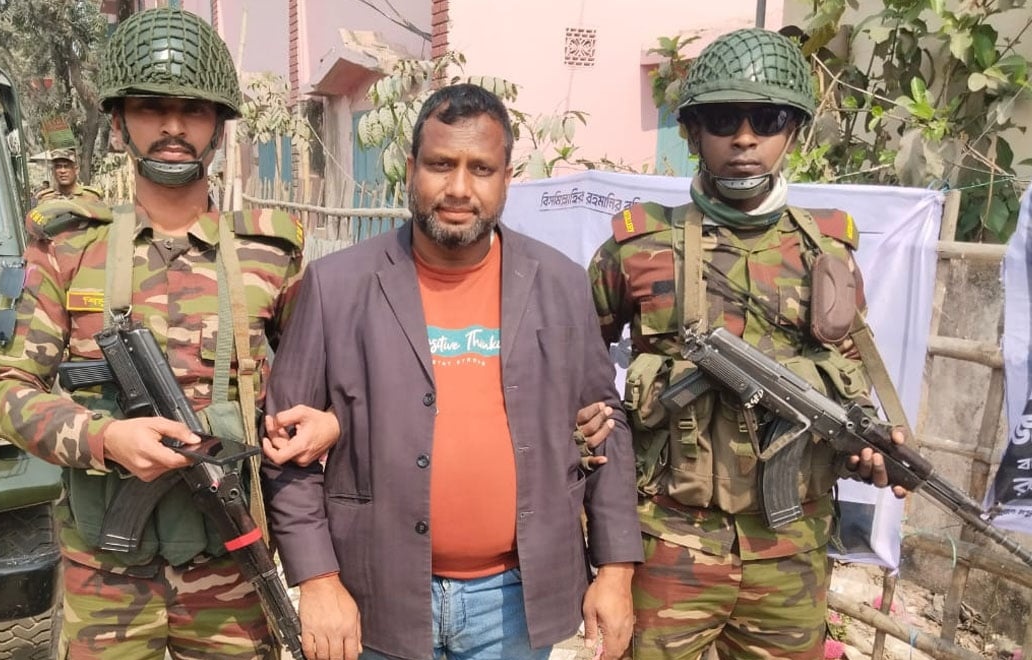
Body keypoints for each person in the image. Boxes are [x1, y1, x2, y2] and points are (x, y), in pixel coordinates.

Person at [0, 8, 336, 659]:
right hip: (104, 574)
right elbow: (3, 387)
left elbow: (320, 382)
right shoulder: (66, 245)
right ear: (118, 122)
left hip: (231, 563)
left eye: (193, 110)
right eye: (151, 108)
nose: (173, 127)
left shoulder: (270, 252)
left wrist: (326, 422)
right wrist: (104, 437)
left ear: (219, 125)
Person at [261, 83, 643, 660]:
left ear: (507, 177)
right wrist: (317, 580)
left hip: (514, 602)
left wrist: (615, 570)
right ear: (411, 168)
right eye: (441, 164)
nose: (459, 188)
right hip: (374, 597)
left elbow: (604, 422)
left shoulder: (558, 283)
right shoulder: (337, 285)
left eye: (480, 168)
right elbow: (284, 443)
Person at [587, 28, 907, 660]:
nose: (744, 138)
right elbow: (573, 370)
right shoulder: (638, 248)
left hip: (792, 553)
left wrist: (866, 449)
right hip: (667, 543)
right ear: (691, 132)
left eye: (767, 120)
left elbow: (848, 380)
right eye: (722, 119)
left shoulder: (829, 253)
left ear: (794, 132)